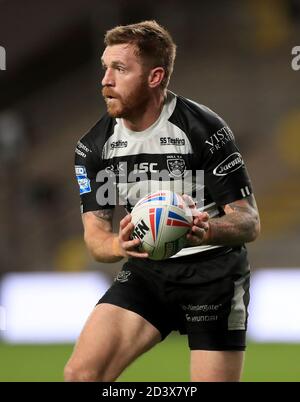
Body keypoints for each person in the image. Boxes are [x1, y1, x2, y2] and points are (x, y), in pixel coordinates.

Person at [64, 20, 260, 382]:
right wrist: (118, 244)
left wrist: (208, 230)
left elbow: (248, 222)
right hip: (147, 272)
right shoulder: (93, 147)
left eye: (119, 69)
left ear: (154, 77)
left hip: (214, 275)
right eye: (104, 68)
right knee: (81, 375)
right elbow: (96, 239)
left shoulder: (204, 129)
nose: (105, 80)